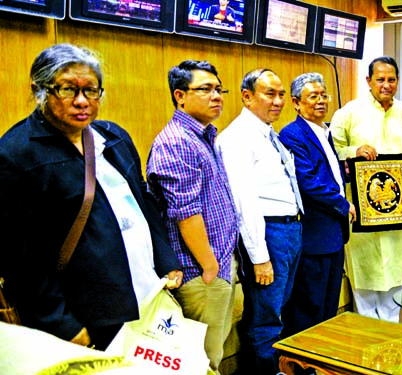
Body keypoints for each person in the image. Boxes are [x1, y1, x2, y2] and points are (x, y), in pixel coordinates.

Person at [0, 44, 182, 350]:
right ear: (39, 89)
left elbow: (143, 200)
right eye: (68, 89)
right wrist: (63, 325)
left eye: (91, 90)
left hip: (148, 298)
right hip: (91, 319)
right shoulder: (16, 154)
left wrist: (166, 259)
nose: (82, 101)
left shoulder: (114, 137)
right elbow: (20, 258)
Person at [147, 60, 239, 374]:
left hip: (219, 265)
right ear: (180, 96)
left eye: (218, 89)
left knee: (211, 357)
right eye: (205, 89)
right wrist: (210, 266)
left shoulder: (204, 137)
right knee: (198, 363)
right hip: (200, 271)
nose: (216, 96)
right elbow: (186, 213)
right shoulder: (177, 141)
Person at [214, 68, 303, 374]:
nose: (278, 101)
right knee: (266, 317)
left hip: (289, 230)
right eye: (270, 94)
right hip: (269, 233)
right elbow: (244, 202)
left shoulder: (267, 133)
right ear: (247, 97)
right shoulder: (238, 138)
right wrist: (260, 257)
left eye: (281, 95)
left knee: (279, 310)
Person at [330, 56, 402, 322]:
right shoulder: (347, 113)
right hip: (362, 216)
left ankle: (392, 345)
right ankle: (367, 350)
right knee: (365, 286)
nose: (386, 85)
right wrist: (355, 151)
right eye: (380, 79)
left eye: (391, 80)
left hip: (397, 215)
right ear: (368, 80)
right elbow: (332, 153)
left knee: (394, 290)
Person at [279, 73, 355, 338]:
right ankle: (303, 365)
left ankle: (321, 362)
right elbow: (307, 182)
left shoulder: (325, 131)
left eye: (324, 95)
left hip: (333, 235)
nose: (321, 101)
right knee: (308, 310)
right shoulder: (293, 135)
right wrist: (343, 204)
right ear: (296, 103)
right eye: (314, 96)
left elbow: (330, 174)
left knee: (327, 308)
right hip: (314, 236)